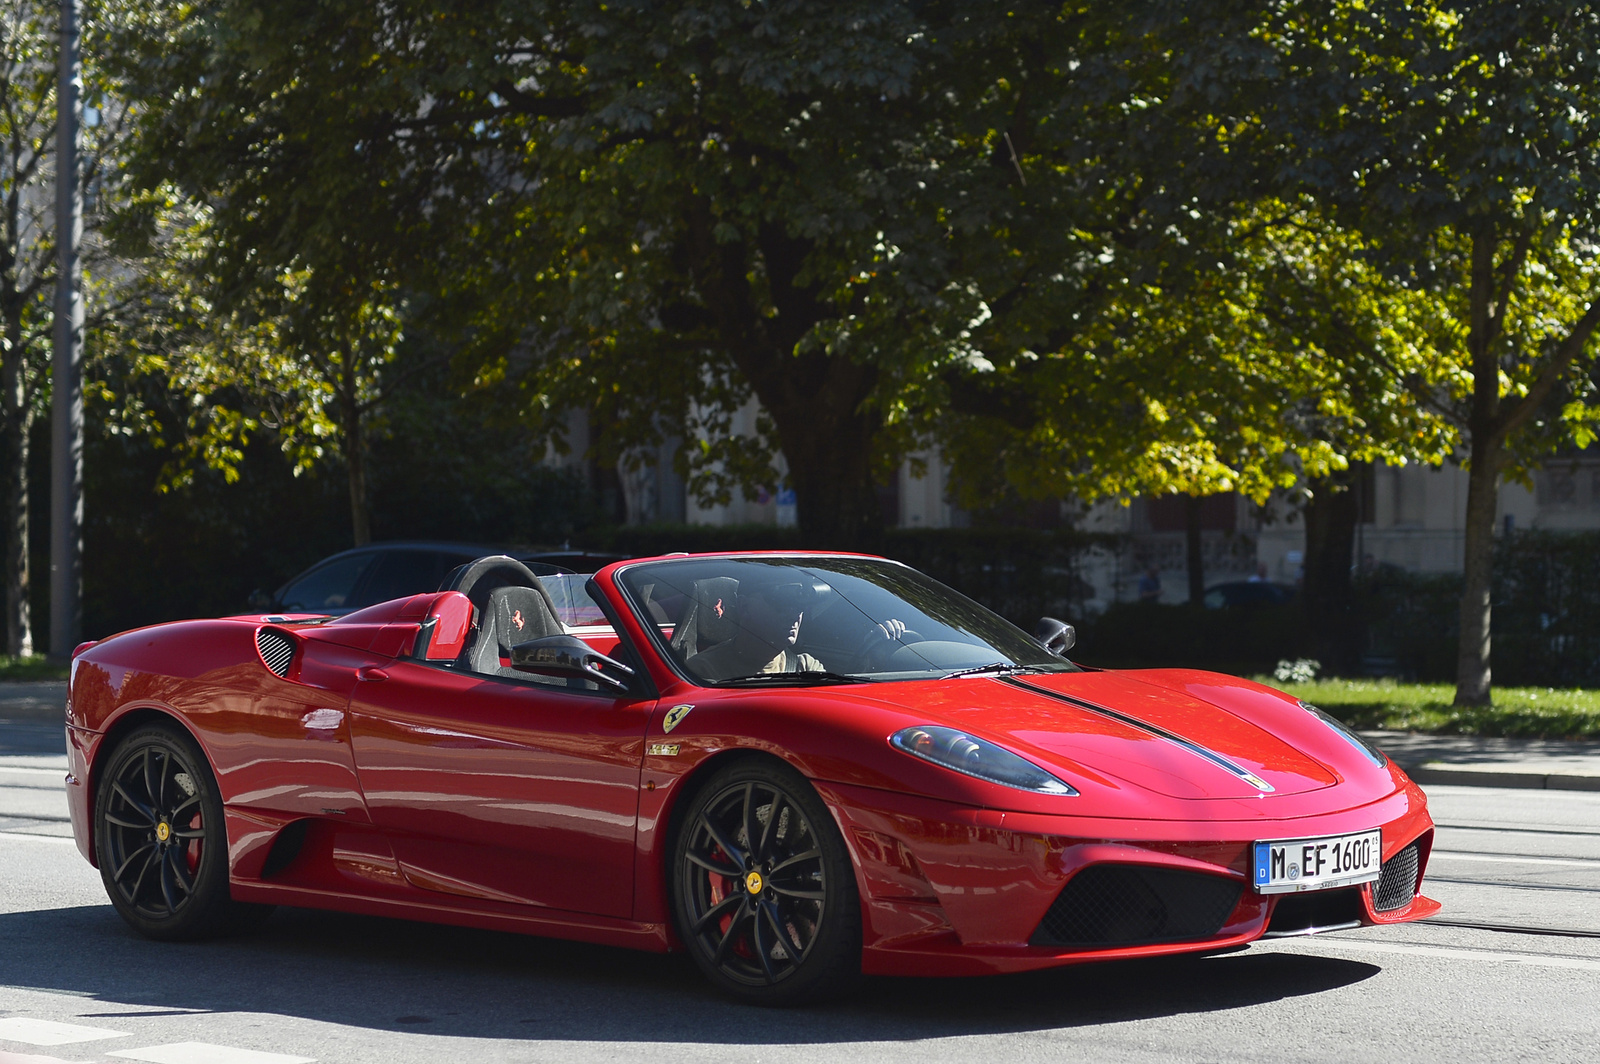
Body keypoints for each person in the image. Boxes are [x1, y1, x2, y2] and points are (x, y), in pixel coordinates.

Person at [685, 575, 904, 681]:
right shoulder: (704, 673)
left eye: (799, 605)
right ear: (744, 606)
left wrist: (870, 661)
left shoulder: (806, 667)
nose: (794, 613)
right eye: (780, 601)